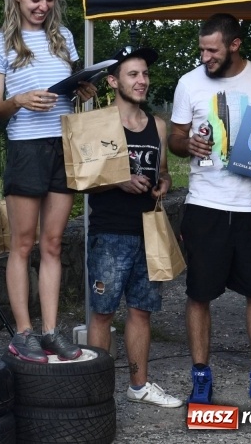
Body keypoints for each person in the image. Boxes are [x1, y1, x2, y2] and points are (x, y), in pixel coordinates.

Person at [168, 13, 251, 409]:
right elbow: (175, 136)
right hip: (205, 205)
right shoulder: (188, 83)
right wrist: (186, 144)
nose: (205, 56)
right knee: (199, 294)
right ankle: (200, 378)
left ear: (234, 44)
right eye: (202, 50)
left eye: (213, 50)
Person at [0, 0, 91, 363]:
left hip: (62, 147)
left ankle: (50, 331)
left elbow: (76, 89)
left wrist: (83, 89)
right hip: (25, 147)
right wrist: (19, 100)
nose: (42, 6)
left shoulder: (64, 36)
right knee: (22, 245)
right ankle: (24, 333)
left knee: (52, 243)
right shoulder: (0, 43)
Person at [86, 46, 182, 406]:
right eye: (133, 75)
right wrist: (119, 180)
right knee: (104, 311)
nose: (141, 81)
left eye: (144, 74)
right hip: (110, 232)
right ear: (113, 81)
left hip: (149, 231)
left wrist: (163, 185)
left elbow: (166, 174)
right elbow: (82, 180)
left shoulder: (158, 125)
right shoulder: (99, 123)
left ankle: (139, 385)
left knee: (141, 310)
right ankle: (95, 391)